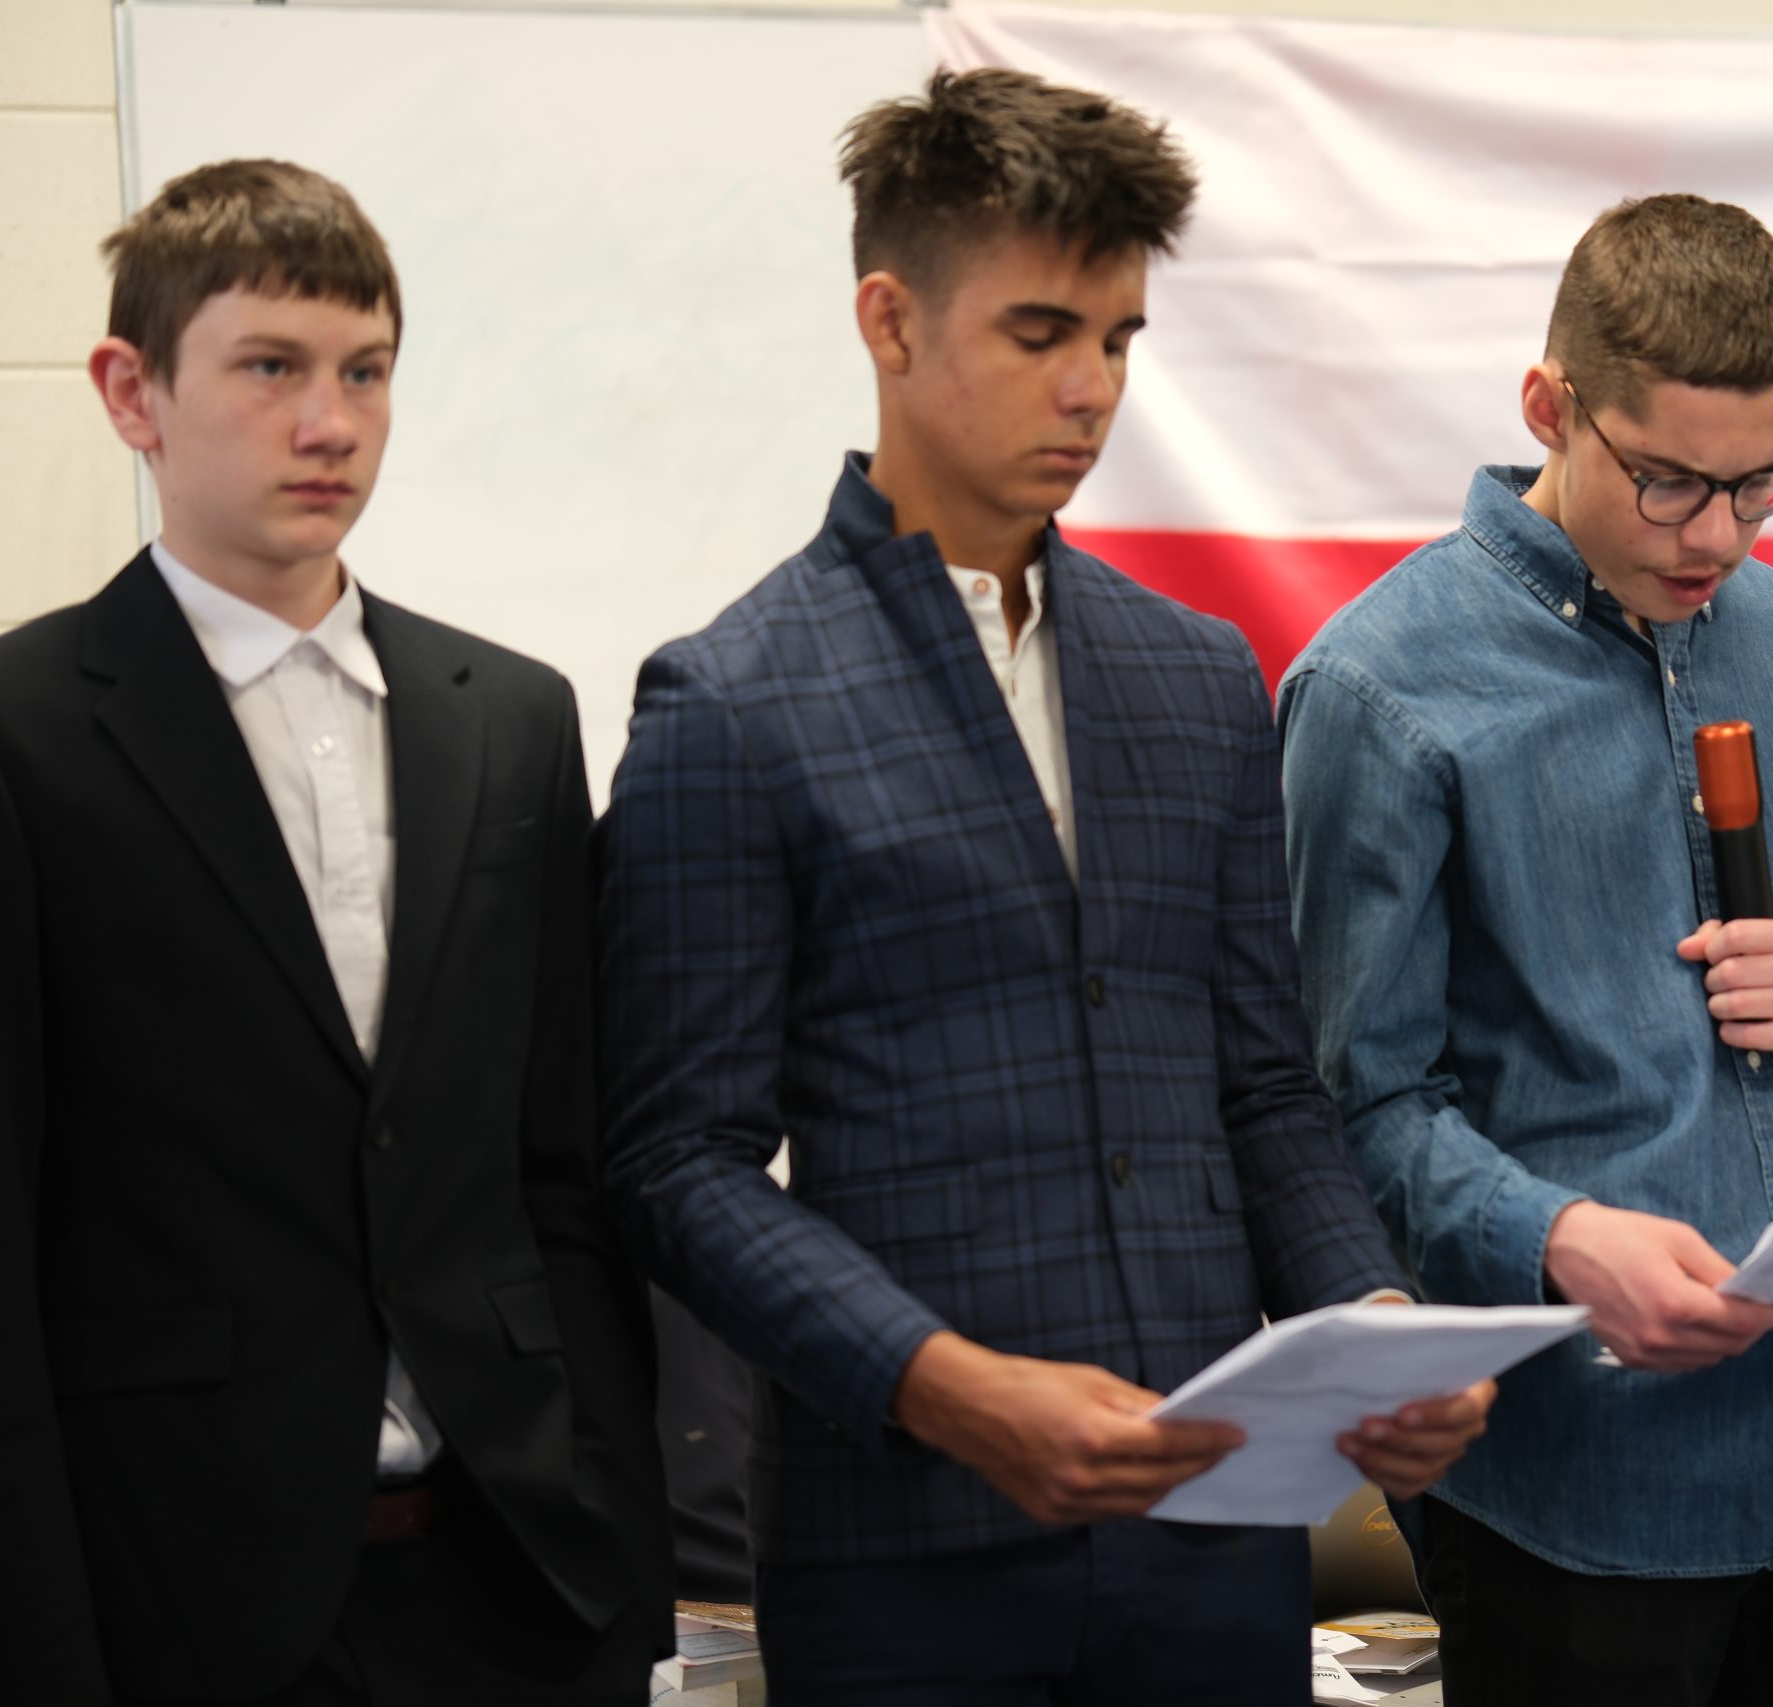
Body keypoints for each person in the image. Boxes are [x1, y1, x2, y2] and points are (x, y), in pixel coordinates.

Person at [593, 70, 1492, 1706]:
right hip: (907, 1551)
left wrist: (1370, 1320)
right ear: (890, 319)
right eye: (1038, 334)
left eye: (1121, 339)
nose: (1091, 389)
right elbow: (676, 1162)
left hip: (1218, 1533)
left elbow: (1262, 1087)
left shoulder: (1197, 676)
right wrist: (944, 1384)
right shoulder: (731, 700)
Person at [1278, 191, 1773, 1707]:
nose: (1719, 534)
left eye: (1761, 482)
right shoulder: (1380, 688)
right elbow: (1347, 1110)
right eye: (1669, 482)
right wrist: (1557, 1233)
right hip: (1588, 1490)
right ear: (1550, 407)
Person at [0, 159, 673, 1705]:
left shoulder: (510, 719)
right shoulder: (14, 735)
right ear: (132, 392)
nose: (329, 423)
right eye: (270, 368)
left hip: (514, 1581)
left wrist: (621, 1557)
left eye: (365, 372)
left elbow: (556, 1177)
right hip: (182, 1596)